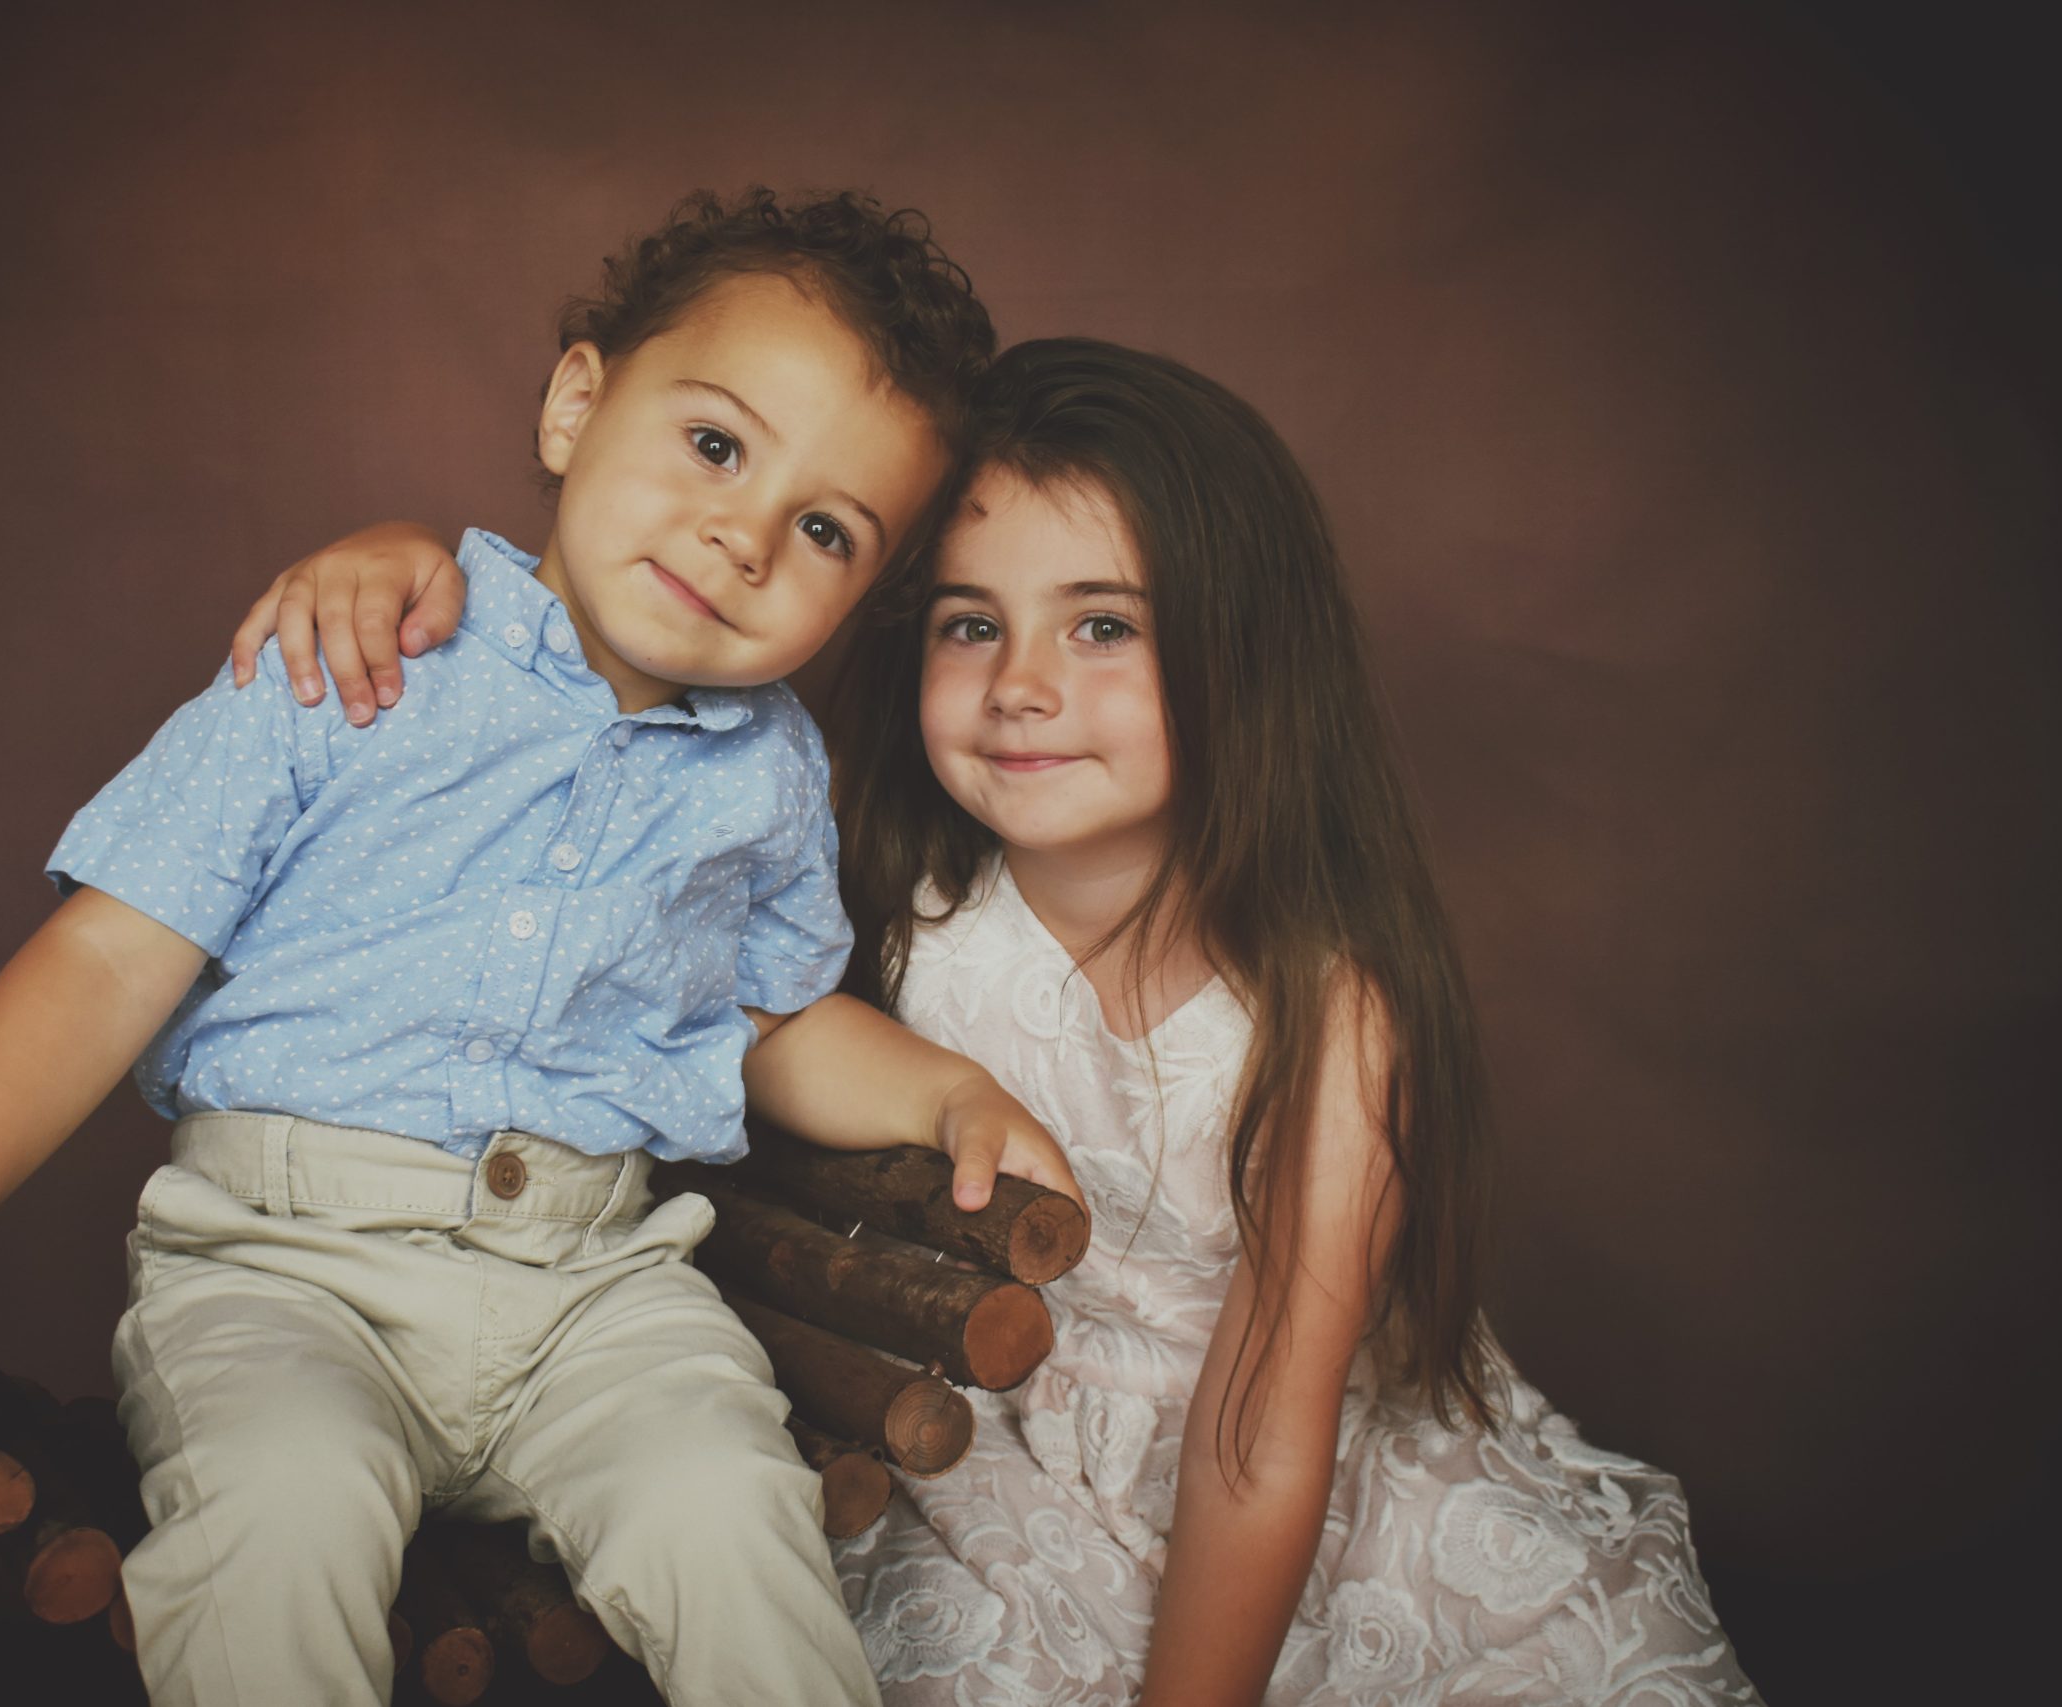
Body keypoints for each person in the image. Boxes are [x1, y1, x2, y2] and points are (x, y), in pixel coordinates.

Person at [233, 339, 1763, 1703]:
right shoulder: (874, 899)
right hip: (982, 1447)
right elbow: (607, 744)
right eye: (971, 624)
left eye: (1102, 627)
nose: (1022, 684)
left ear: (1248, 650)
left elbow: (1261, 1434)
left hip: (1286, 1493)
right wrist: (409, 569)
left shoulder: (1331, 1010)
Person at [0, 188, 1087, 1707]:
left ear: (863, 595)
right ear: (577, 405)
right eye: (716, 445)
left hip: (594, 1288)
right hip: (281, 1271)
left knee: (731, 1509)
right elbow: (110, 959)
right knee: (280, 1515)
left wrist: (942, 1094)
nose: (743, 537)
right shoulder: (356, 649)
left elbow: (770, 1021)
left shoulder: (771, 774)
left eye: (826, 530)